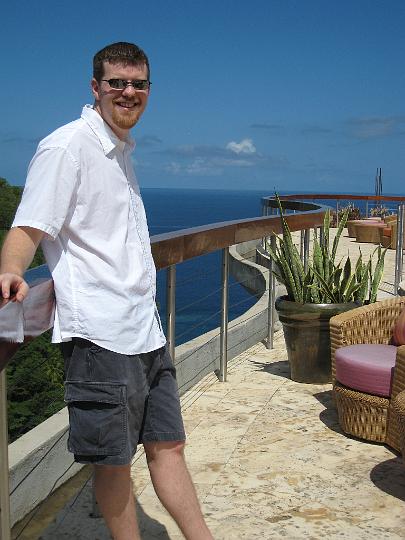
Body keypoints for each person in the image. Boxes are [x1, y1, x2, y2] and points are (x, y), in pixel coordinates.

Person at [0, 42, 213, 540]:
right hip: (99, 335)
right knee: (114, 463)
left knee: (169, 446)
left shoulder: (119, 151)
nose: (129, 92)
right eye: (117, 82)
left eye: (138, 83)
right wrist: (11, 270)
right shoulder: (67, 147)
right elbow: (28, 228)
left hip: (145, 328)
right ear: (95, 87)